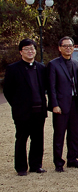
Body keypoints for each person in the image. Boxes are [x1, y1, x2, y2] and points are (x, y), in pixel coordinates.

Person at [4, 39, 48, 176]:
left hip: (39, 110)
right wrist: (18, 105)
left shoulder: (41, 68)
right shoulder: (13, 69)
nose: (30, 51)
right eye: (27, 49)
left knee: (38, 139)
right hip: (22, 112)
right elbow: (7, 91)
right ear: (20, 51)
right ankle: (21, 167)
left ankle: (36, 165)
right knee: (22, 139)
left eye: (32, 49)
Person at [47, 36, 78, 171]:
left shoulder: (75, 63)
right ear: (59, 48)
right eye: (65, 46)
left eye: (70, 46)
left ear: (73, 48)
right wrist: (54, 105)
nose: (68, 48)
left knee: (74, 134)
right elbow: (51, 87)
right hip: (61, 105)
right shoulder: (53, 64)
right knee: (59, 135)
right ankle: (58, 162)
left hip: (74, 103)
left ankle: (72, 158)